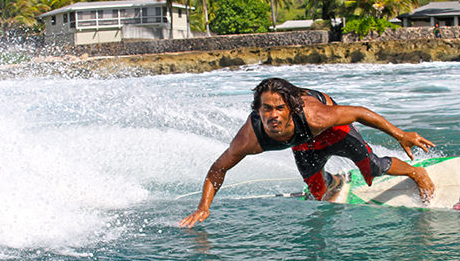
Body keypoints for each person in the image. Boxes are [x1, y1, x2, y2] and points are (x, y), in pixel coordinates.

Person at [179, 77, 436, 227]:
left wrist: (400, 134)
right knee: (317, 192)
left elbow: (359, 113)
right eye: (266, 108)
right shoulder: (249, 138)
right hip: (303, 142)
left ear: (290, 109)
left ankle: (417, 173)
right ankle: (335, 181)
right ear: (257, 110)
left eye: (279, 108)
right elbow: (218, 168)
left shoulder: (315, 116)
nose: (273, 115)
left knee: (372, 169)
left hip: (331, 132)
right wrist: (203, 207)